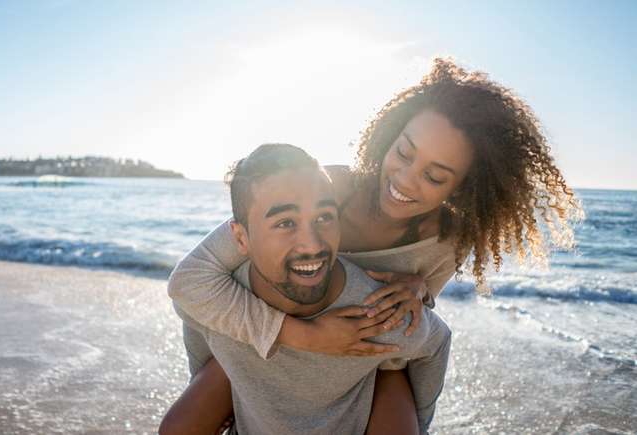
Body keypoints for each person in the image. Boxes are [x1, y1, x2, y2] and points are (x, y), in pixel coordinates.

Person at [166, 58, 582, 432]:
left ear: (464, 187)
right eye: (403, 152)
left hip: (363, 352)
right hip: (270, 324)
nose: (404, 180)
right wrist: (302, 336)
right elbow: (194, 278)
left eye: (434, 177)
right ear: (389, 135)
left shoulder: (447, 241)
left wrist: (419, 291)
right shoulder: (327, 189)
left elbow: (411, 324)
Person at [161, 144, 452, 435]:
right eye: (285, 223)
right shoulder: (221, 298)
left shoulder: (371, 313)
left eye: (324, 217)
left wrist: (417, 420)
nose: (312, 245)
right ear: (240, 237)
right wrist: (225, 385)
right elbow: (190, 307)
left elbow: (436, 343)